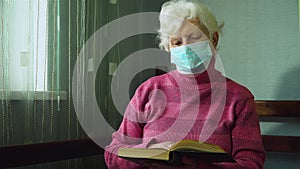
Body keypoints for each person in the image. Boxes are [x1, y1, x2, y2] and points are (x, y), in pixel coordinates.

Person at [104, 0, 265, 168]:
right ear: (168, 48)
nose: (186, 47)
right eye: (177, 42)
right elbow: (112, 154)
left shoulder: (238, 98)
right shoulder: (149, 90)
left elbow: (251, 164)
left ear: (214, 39)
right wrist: (149, 153)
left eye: (194, 38)